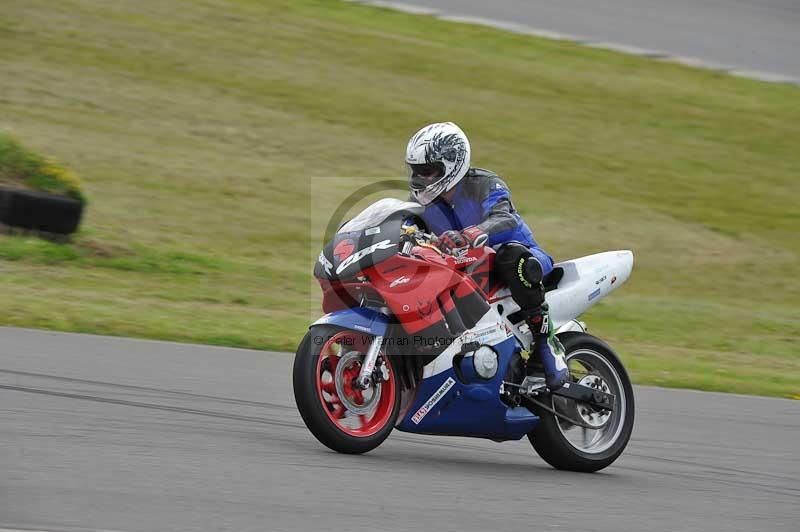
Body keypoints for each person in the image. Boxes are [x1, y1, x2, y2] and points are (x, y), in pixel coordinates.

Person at [405, 122, 568, 390]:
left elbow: (504, 217)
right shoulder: (421, 201)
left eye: (428, 170)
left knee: (512, 258)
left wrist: (473, 233)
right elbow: (408, 227)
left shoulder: (485, 183)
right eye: (417, 172)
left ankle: (546, 343)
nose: (421, 179)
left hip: (523, 261)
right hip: (471, 269)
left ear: (453, 163)